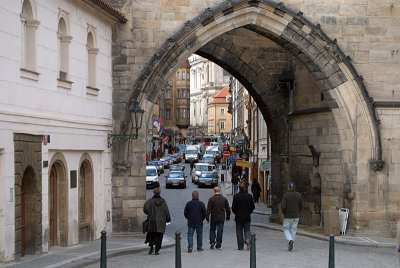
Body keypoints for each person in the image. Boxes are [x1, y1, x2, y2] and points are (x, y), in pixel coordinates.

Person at [143, 187, 171, 255]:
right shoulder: (163, 202)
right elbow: (166, 211)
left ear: (153, 193)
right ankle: (157, 250)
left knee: (151, 235)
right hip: (161, 222)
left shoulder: (150, 201)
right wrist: (168, 219)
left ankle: (152, 248)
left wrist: (149, 212)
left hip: (152, 221)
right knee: (159, 236)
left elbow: (145, 209)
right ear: (159, 193)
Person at [281, 181, 303, 252]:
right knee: (293, 230)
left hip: (288, 215)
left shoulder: (286, 195)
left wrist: (284, 212)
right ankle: (292, 246)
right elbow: (301, 205)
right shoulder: (299, 195)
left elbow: (283, 206)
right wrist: (298, 212)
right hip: (296, 216)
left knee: (286, 229)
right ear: (294, 187)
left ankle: (290, 240)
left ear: (288, 187)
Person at [232, 184, 255, 250]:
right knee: (247, 230)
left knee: (239, 231)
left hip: (238, 217)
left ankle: (240, 246)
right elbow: (253, 206)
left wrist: (236, 213)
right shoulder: (249, 196)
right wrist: (249, 212)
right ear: (245, 188)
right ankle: (247, 239)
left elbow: (233, 207)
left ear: (239, 188)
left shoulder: (236, 196)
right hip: (247, 216)